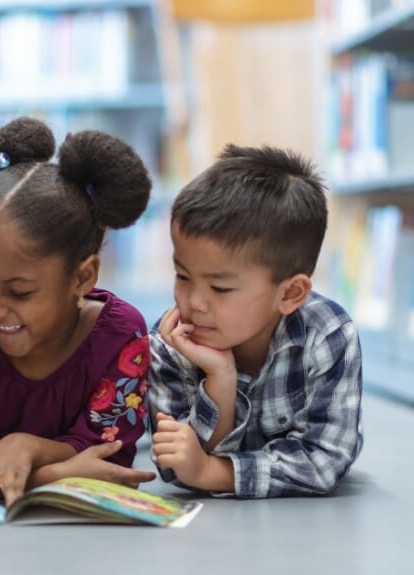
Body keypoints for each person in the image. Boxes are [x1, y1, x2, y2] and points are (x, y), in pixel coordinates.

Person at [0, 117, 156, 512]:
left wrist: (24, 446)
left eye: (20, 292)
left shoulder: (122, 336)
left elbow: (107, 457)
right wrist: (51, 474)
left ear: (83, 277)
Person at [147, 144, 362, 498]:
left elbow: (324, 461)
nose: (194, 302)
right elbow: (175, 466)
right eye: (182, 276)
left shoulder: (328, 336)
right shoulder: (170, 340)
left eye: (220, 287)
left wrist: (212, 472)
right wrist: (221, 379)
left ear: (291, 294)